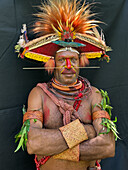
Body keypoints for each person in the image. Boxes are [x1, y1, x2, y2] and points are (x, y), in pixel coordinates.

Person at [15, 0, 117, 169]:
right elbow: (33, 143)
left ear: (80, 62)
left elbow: (107, 146)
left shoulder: (94, 95)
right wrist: (86, 131)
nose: (68, 66)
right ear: (52, 62)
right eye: (62, 60)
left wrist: (53, 147)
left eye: (73, 60)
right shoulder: (39, 94)